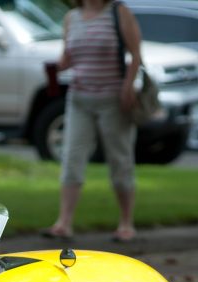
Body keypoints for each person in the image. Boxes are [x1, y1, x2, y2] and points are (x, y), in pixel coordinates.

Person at [43, 0, 141, 243]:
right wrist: (56, 68)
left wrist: (128, 86)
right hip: (79, 99)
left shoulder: (119, 13)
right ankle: (63, 223)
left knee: (119, 159)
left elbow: (136, 54)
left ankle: (126, 223)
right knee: (71, 157)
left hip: (113, 100)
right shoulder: (72, 17)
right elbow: (68, 57)